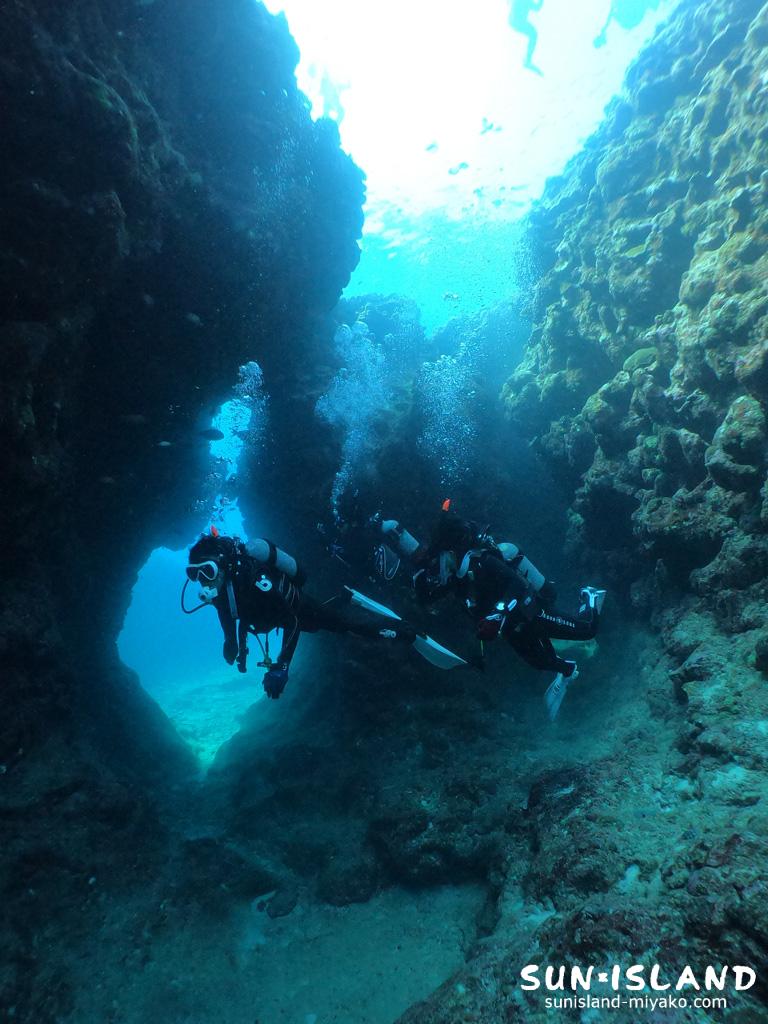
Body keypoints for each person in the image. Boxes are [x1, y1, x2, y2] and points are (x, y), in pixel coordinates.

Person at [381, 505, 606, 718]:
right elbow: (428, 599)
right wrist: (415, 577)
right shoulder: (457, 578)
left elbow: (517, 586)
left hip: (530, 612)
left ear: (451, 552)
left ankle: (589, 596)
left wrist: (497, 613)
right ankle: (568, 671)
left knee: (587, 630)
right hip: (511, 627)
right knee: (538, 662)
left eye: (441, 558)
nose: (439, 567)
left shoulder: (482, 562)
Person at [183, 529, 415, 699]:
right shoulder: (221, 591)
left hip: (295, 606)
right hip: (272, 616)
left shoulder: (254, 579)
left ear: (223, 563)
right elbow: (225, 613)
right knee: (317, 624)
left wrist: (282, 667)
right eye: (195, 575)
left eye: (207, 571)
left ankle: (399, 631)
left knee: (342, 626)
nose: (204, 581)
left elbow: (291, 621)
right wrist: (231, 642)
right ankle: (342, 599)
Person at [509, 0, 545, 76]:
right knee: (533, 34)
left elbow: (537, 8)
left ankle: (528, 60)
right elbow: (537, 8)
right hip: (517, 22)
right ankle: (527, 61)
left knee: (533, 34)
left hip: (513, 21)